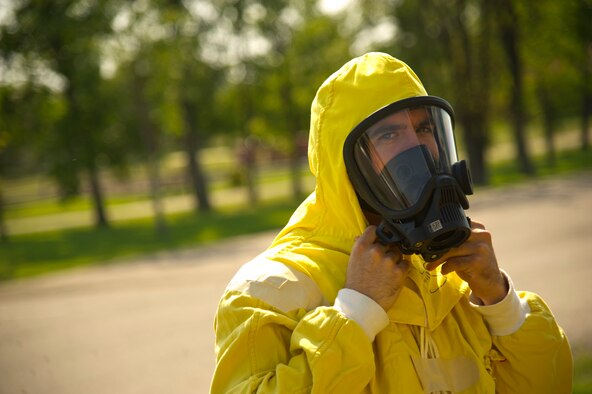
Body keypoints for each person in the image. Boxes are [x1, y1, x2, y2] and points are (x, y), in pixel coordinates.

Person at [211, 52, 572, 393]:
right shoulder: (270, 289)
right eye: (389, 134)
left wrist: (501, 303)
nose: (418, 148)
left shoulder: (456, 277)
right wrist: (356, 312)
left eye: (425, 128)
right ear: (345, 167)